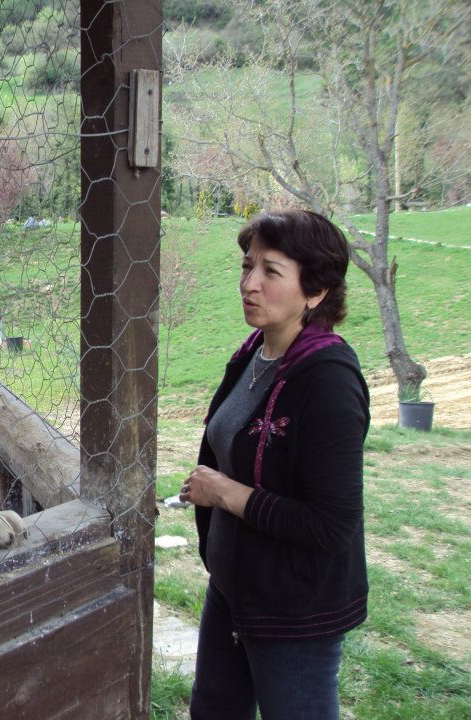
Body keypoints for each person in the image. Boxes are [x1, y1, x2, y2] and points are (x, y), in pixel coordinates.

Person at [180, 210, 369, 720]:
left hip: (295, 608)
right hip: (234, 590)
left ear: (316, 290)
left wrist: (225, 493)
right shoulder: (255, 354)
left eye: (271, 271)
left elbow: (332, 525)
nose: (250, 284)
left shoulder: (327, 380)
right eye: (247, 266)